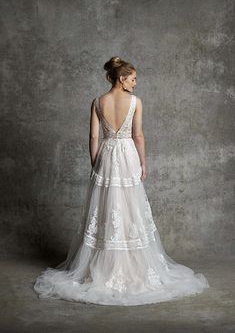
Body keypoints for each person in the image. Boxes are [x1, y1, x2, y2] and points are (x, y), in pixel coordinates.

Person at [34, 56, 209, 306]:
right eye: (134, 78)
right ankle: (131, 266)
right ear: (122, 78)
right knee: (128, 208)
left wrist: (95, 162)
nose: (136, 83)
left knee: (106, 207)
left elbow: (94, 137)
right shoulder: (135, 102)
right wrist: (143, 162)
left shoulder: (97, 102)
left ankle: (103, 267)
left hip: (106, 155)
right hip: (127, 155)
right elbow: (137, 135)